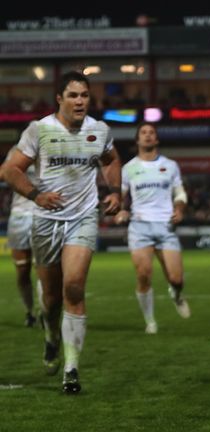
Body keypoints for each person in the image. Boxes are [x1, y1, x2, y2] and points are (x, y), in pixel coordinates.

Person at [3, 71, 122, 394]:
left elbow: (111, 160)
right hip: (45, 221)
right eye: (73, 95)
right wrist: (35, 195)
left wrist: (115, 191)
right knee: (52, 300)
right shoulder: (39, 130)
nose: (80, 101)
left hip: (82, 218)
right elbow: (9, 168)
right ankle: (51, 336)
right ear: (60, 99)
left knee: (74, 286)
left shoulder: (99, 130)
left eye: (84, 95)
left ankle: (71, 368)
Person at [114, 122, 191, 335]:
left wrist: (180, 209)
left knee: (176, 279)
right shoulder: (129, 168)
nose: (148, 136)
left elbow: (180, 193)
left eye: (151, 133)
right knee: (143, 275)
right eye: (143, 133)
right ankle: (150, 322)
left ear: (156, 139)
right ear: (137, 140)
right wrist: (120, 210)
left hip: (166, 226)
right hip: (139, 226)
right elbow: (120, 195)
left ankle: (175, 294)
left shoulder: (171, 165)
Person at [0, 147, 39, 327]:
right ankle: (29, 312)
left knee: (44, 269)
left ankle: (44, 312)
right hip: (19, 216)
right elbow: (3, 174)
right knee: (22, 271)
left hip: (45, 215)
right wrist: (18, 167)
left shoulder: (53, 148)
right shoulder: (16, 152)